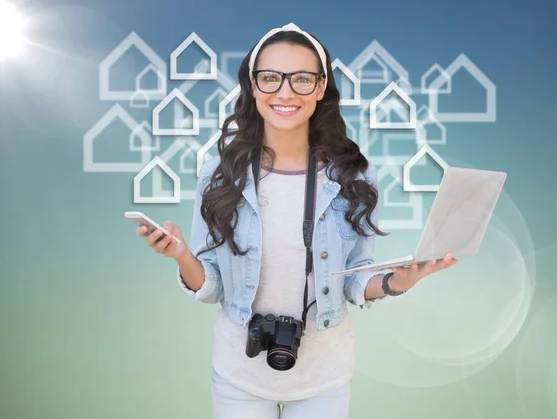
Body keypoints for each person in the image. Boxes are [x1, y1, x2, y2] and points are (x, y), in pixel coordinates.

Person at [136, 23, 457, 419]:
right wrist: (183, 256)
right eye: (270, 78)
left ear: (321, 87)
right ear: (253, 87)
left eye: (301, 79)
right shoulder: (220, 174)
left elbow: (353, 278)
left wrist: (396, 282)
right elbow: (213, 285)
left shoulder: (353, 176)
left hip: (324, 376)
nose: (285, 93)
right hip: (240, 374)